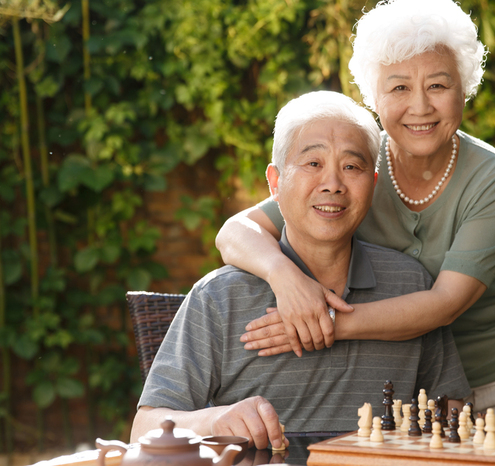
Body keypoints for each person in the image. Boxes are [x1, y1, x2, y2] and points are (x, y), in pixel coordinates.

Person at [215, 0, 495, 420]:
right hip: (408, 378)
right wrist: (286, 280)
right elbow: (235, 232)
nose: (421, 106)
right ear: (375, 97)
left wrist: (323, 323)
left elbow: (444, 303)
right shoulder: (354, 171)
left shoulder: (494, 178)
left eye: (439, 86)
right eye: (399, 88)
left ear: (464, 88)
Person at [131, 91, 470, 449]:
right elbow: (143, 429)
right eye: (313, 164)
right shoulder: (219, 297)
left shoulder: (410, 283)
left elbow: (453, 406)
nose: (333, 184)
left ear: (372, 185)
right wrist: (214, 419)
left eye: (351, 167)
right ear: (275, 183)